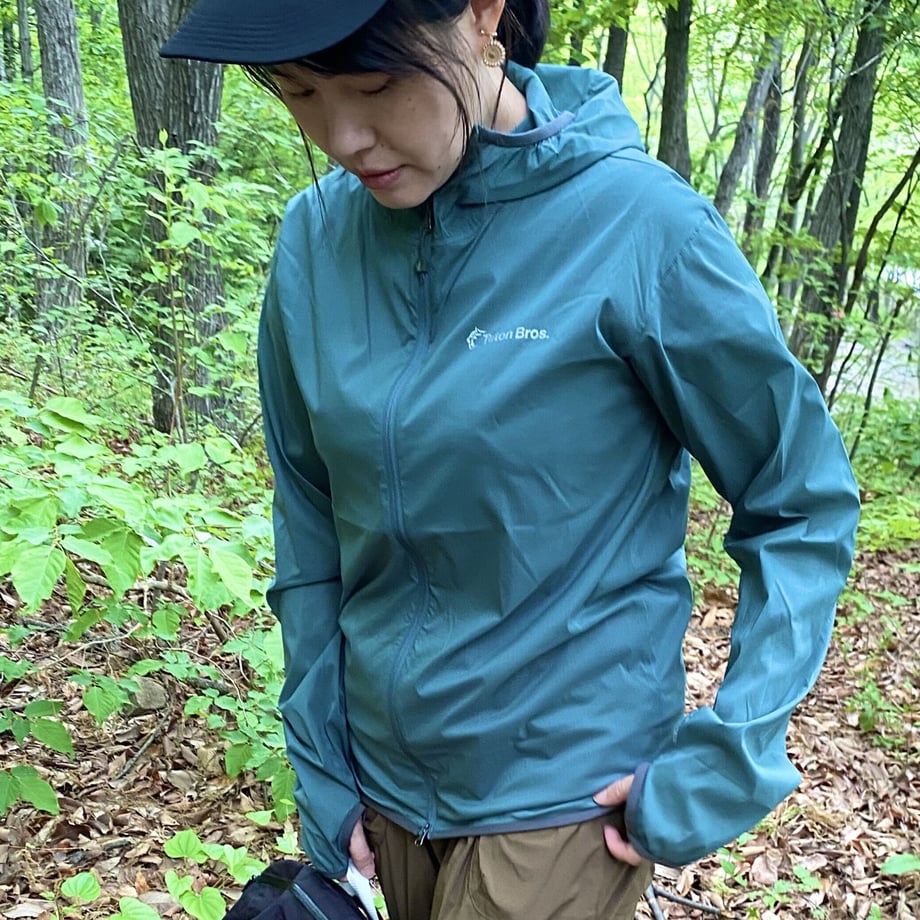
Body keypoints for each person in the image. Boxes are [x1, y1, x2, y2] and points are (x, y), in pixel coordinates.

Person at [162, 2, 860, 918]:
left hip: (563, 795)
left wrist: (731, 755)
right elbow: (310, 520)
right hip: (383, 797)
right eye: (300, 94)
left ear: (483, 14)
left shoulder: (640, 228)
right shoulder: (315, 242)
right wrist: (321, 759)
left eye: (376, 85)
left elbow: (800, 497)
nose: (342, 137)